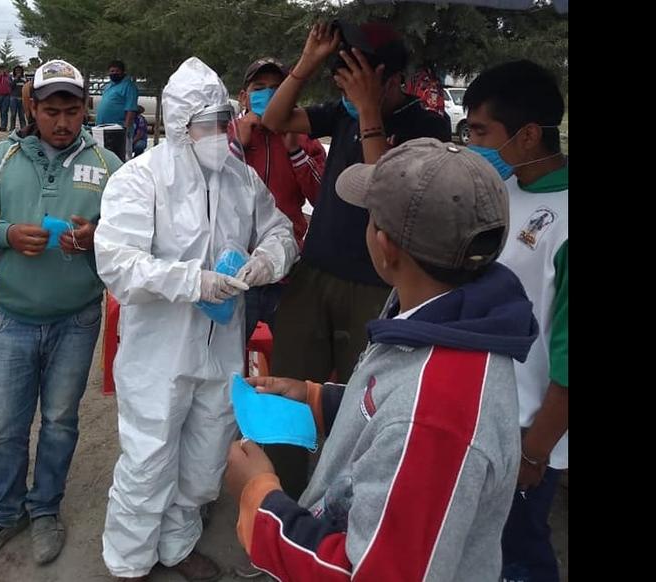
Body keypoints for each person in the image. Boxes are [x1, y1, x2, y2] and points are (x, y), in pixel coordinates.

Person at [225, 138, 538, 582]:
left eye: (369, 217)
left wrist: (259, 498)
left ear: (385, 246)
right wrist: (321, 399)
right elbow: (397, 403)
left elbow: (368, 572)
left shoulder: (433, 418)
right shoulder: (444, 312)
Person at [94, 56, 298, 581]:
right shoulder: (142, 179)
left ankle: (177, 544)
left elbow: (281, 231)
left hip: (221, 347)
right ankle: (130, 562)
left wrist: (265, 261)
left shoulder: (239, 179)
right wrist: (193, 280)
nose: (218, 134)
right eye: (206, 124)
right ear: (181, 124)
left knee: (208, 456)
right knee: (148, 461)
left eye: (222, 122)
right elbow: (118, 264)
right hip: (159, 353)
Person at [259, 20, 451, 500]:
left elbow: (382, 190)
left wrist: (369, 112)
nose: (344, 92)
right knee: (287, 388)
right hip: (316, 273)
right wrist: (306, 64)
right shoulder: (340, 114)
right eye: (340, 81)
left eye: (356, 81)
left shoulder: (427, 125)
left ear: (390, 80)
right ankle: (279, 503)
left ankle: (345, 511)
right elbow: (274, 120)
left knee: (364, 404)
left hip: (377, 286)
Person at [0, 59, 123, 574]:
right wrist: (4, 234)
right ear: (32, 107)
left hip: (77, 319)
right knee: (6, 426)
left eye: (72, 110)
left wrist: (98, 237)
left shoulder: (108, 163)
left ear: (85, 108)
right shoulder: (1, 159)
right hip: (14, 318)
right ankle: (5, 515)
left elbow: (133, 235)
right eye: (52, 110)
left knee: (59, 422)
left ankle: (44, 508)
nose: (63, 121)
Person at [464, 59, 568, 582]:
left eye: (481, 131)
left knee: (520, 554)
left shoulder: (566, 219)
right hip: (484, 411)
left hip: (529, 431)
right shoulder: (502, 192)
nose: (472, 142)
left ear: (528, 135)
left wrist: (535, 452)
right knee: (481, 548)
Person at [232, 57, 326, 341]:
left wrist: (296, 152)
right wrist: (238, 147)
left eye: (278, 88)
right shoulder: (227, 136)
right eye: (260, 87)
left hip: (288, 272)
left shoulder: (304, 139)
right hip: (236, 270)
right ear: (244, 96)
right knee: (228, 361)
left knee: (291, 362)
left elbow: (323, 197)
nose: (269, 94)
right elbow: (209, 191)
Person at [96, 59, 139, 140]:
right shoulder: (108, 86)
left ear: (123, 72)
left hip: (118, 130)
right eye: (112, 71)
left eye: (117, 71)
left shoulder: (129, 87)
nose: (114, 73)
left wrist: (125, 130)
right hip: (101, 128)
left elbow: (131, 110)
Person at [9, 65, 27, 131]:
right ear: (14, 71)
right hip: (14, 98)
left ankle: (24, 129)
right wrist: (16, 79)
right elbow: (10, 86)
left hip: (22, 98)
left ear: (22, 71)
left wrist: (23, 80)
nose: (18, 71)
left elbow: (26, 86)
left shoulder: (24, 78)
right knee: (13, 114)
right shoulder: (12, 77)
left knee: (22, 115)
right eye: (17, 70)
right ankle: (12, 129)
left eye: (19, 70)